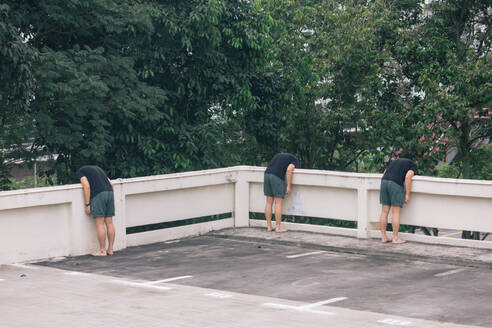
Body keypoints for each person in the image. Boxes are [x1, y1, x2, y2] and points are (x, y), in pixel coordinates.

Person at [76, 165, 115, 256]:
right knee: (109, 222)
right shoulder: (99, 169)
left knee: (100, 223)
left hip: (99, 195)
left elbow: (86, 186)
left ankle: (102, 250)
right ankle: (110, 249)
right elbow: (111, 184)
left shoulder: (80, 171)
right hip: (110, 192)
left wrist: (87, 204)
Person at [379, 158, 418, 244]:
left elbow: (385, 171)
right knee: (395, 212)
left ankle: (384, 237)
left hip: (384, 181)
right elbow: (408, 176)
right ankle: (395, 238)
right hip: (395, 183)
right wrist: (407, 194)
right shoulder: (413, 166)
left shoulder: (395, 162)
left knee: (384, 211)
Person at [264, 153, 299, 233]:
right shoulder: (295, 160)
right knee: (278, 203)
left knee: (269, 202)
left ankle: (269, 227)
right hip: (277, 176)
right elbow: (289, 170)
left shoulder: (278, 155)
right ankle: (278, 227)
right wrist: (288, 186)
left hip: (267, 174)